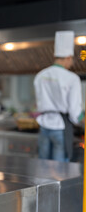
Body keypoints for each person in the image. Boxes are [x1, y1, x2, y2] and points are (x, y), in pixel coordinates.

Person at [34, 30, 82, 162]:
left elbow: (38, 104)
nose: (71, 63)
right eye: (71, 60)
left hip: (44, 126)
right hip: (61, 128)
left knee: (43, 168)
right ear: (68, 57)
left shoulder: (40, 76)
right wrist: (81, 118)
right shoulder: (72, 78)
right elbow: (74, 111)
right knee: (60, 171)